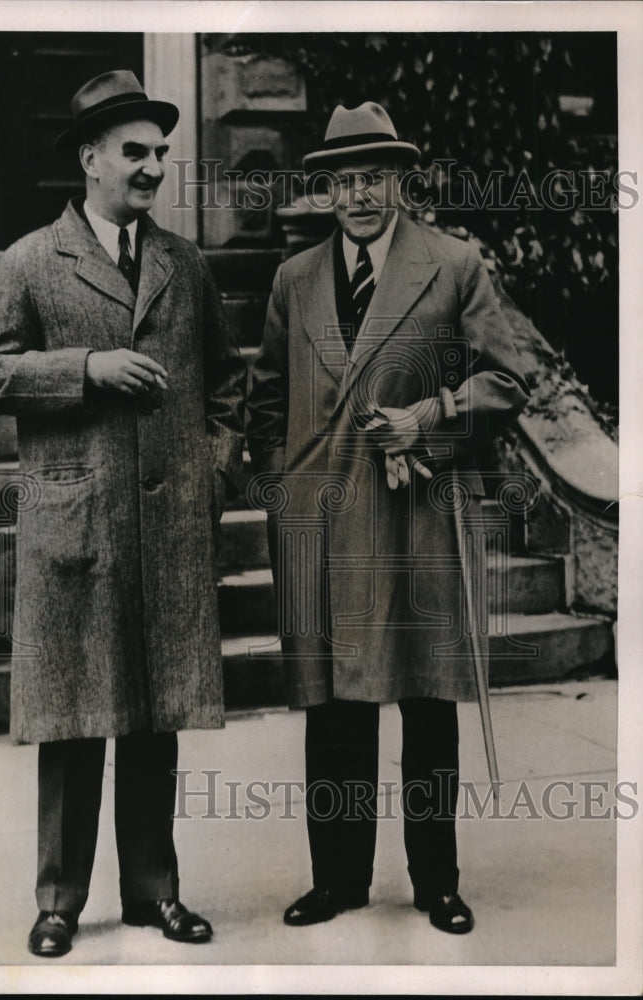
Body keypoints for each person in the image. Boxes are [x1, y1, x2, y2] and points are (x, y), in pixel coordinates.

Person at [0, 70, 246, 957]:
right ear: (89, 160)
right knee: (76, 718)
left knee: (156, 717)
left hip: (165, 530)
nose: (155, 167)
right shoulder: (29, 261)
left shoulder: (184, 263)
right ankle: (58, 898)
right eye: (136, 152)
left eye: (162, 152)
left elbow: (232, 385)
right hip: (77, 525)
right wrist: (85, 367)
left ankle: (155, 892)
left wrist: (215, 468)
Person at [246, 102, 530, 934]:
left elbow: (506, 380)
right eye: (345, 178)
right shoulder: (293, 280)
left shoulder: (452, 263)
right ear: (327, 189)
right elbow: (267, 401)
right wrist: (283, 493)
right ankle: (336, 879)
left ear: (401, 180)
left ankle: (436, 882)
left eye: (376, 175)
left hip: (419, 517)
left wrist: (433, 414)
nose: (361, 193)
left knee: (427, 701)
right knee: (331, 708)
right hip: (322, 524)